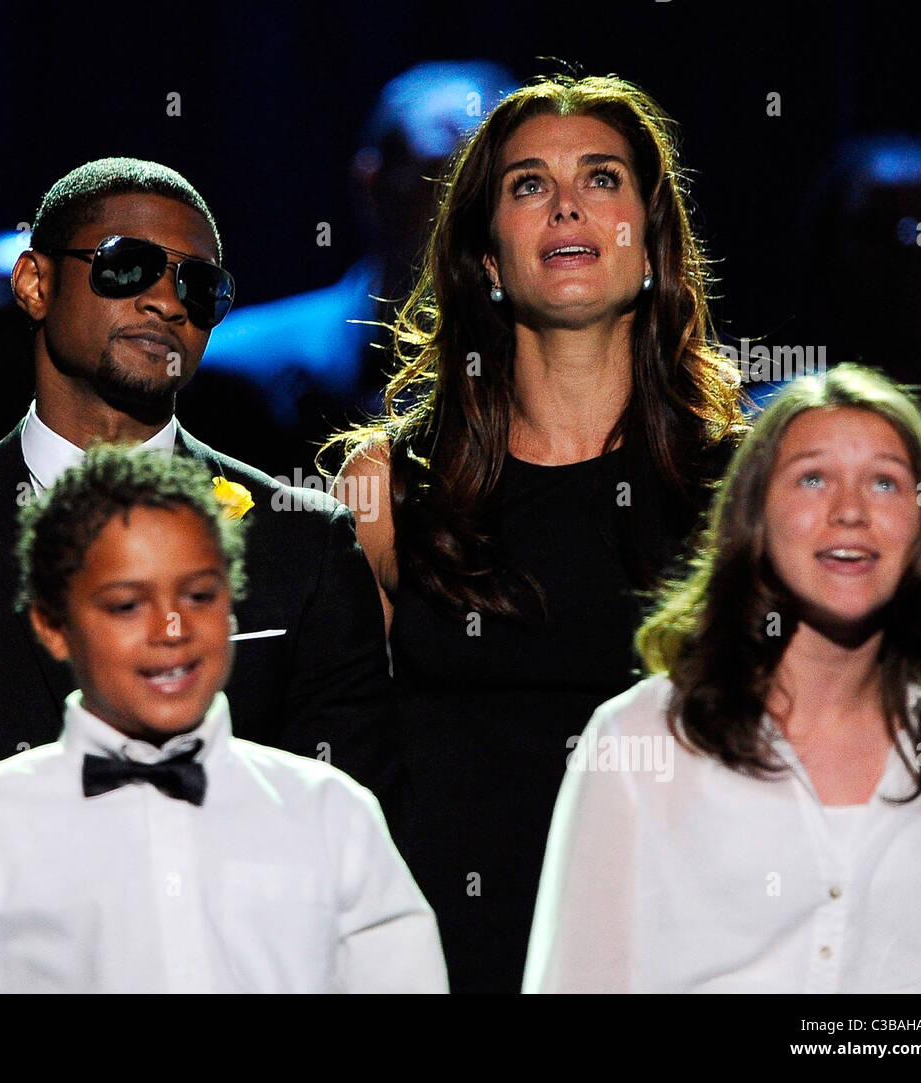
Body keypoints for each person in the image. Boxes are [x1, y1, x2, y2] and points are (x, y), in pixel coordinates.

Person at [0, 158, 396, 933]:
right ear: (34, 283)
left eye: (200, 286)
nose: (167, 299)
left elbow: (353, 835)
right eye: (128, 265)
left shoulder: (305, 540)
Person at [329, 73, 746, 992]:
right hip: (442, 955)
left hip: (682, 952)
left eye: (602, 179)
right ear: (485, 257)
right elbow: (342, 777)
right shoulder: (388, 485)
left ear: (651, 247)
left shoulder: (745, 491)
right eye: (527, 184)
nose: (566, 204)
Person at [0, 446, 443, 993]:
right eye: (127, 605)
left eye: (199, 596)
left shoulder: (334, 815)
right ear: (52, 626)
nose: (172, 629)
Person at [525, 365, 921, 993]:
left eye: (885, 482)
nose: (850, 512)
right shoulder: (642, 741)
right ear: (755, 515)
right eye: (813, 478)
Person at [188, 60, 515, 478]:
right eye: (442, 178)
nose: (474, 211)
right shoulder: (229, 374)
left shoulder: (572, 386)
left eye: (509, 185)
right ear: (372, 184)